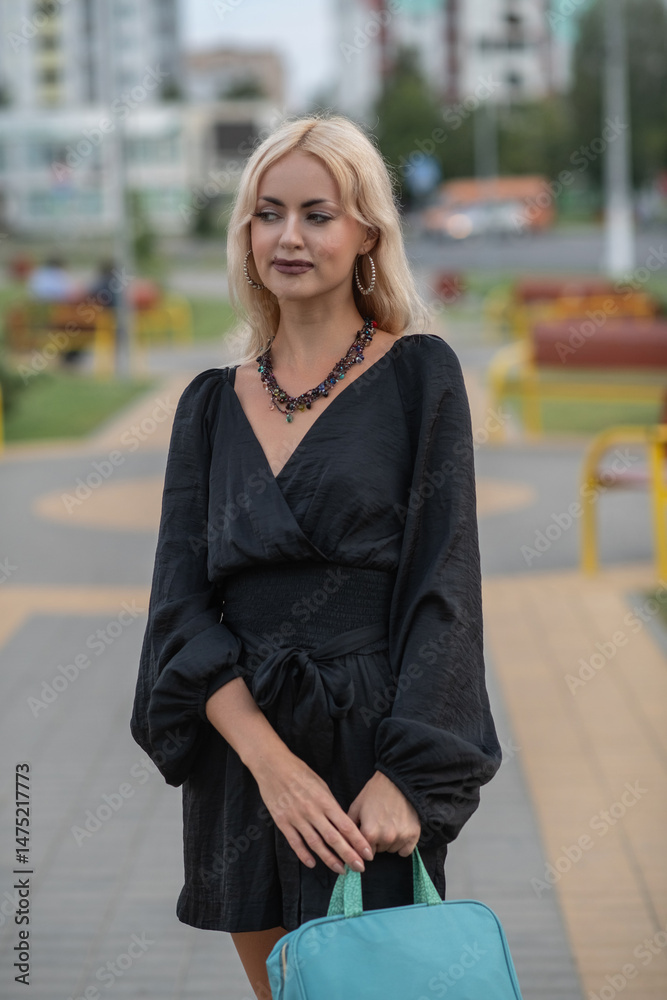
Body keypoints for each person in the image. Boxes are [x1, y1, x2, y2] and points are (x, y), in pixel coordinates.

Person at [130, 112, 502, 1000]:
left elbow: (442, 588)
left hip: (369, 750)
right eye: (267, 213)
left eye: (317, 214)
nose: (288, 236)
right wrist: (269, 767)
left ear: (367, 230)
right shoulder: (208, 405)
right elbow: (178, 612)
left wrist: (408, 776)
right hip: (245, 759)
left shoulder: (420, 375)